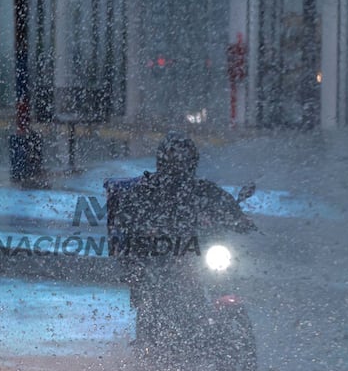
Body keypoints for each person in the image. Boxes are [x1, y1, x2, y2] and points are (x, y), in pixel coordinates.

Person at [109, 132, 255, 358]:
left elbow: (227, 207)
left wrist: (240, 219)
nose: (179, 162)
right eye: (174, 157)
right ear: (163, 159)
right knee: (148, 287)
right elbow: (128, 216)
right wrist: (143, 231)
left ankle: (232, 347)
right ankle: (149, 341)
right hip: (160, 257)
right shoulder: (147, 188)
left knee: (224, 284)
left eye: (183, 158)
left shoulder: (204, 190)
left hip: (199, 257)